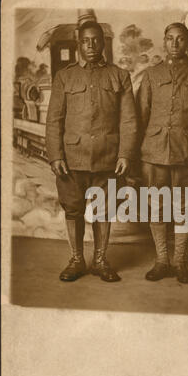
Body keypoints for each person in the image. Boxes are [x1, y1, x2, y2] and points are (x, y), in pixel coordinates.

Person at [46, 21, 137, 282]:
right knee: (73, 210)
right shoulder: (65, 76)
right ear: (79, 44)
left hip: (108, 159)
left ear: (103, 43)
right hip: (72, 160)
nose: (91, 45)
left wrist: (125, 154)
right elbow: (54, 120)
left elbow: (129, 120)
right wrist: (56, 156)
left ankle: (100, 260)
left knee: (104, 211)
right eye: (86, 41)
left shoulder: (119, 75)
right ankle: (77, 260)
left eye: (96, 40)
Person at [136, 22, 188, 283]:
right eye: (170, 38)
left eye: (180, 39)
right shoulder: (150, 75)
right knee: (157, 208)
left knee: (183, 208)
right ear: (164, 41)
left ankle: (180, 261)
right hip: (154, 154)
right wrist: (136, 157)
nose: (174, 44)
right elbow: (140, 118)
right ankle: (162, 261)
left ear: (187, 43)